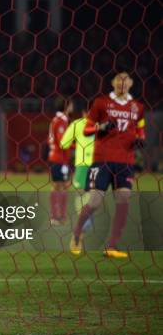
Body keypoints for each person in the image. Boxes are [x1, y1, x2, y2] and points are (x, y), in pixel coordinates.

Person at [70, 72, 145, 258]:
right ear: (112, 83)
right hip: (102, 160)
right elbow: (87, 129)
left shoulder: (138, 107)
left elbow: (141, 131)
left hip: (125, 161)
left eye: (125, 79)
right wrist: (100, 127)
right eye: (118, 79)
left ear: (131, 83)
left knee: (124, 198)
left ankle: (112, 245)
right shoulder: (101, 103)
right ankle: (77, 235)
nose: (122, 83)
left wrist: (139, 140)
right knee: (95, 201)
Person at [60, 102, 95, 232]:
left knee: (80, 192)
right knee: (94, 191)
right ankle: (88, 218)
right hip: (100, 164)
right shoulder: (102, 126)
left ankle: (84, 221)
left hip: (83, 163)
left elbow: (64, 144)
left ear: (84, 112)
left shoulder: (77, 124)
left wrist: (77, 145)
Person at [48, 99, 73, 225]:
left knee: (57, 186)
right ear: (66, 106)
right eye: (71, 104)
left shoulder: (55, 120)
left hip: (55, 157)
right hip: (60, 158)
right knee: (62, 186)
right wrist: (76, 144)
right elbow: (63, 142)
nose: (73, 107)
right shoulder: (62, 121)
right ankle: (59, 216)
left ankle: (55, 216)